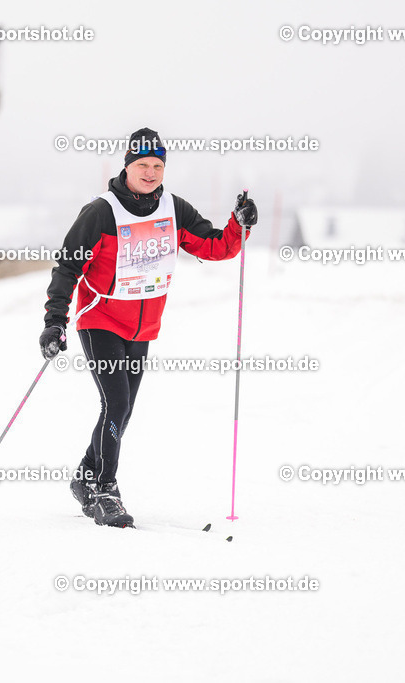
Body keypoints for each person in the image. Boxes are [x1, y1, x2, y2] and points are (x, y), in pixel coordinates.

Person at [40, 127, 258, 527]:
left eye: (158, 165)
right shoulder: (101, 212)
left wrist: (238, 225)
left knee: (122, 411)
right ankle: (105, 490)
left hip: (142, 328)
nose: (151, 172)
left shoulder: (174, 209)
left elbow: (212, 245)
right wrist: (56, 321)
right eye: (143, 164)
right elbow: (68, 265)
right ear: (127, 166)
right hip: (101, 319)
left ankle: (85, 478)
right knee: (117, 404)